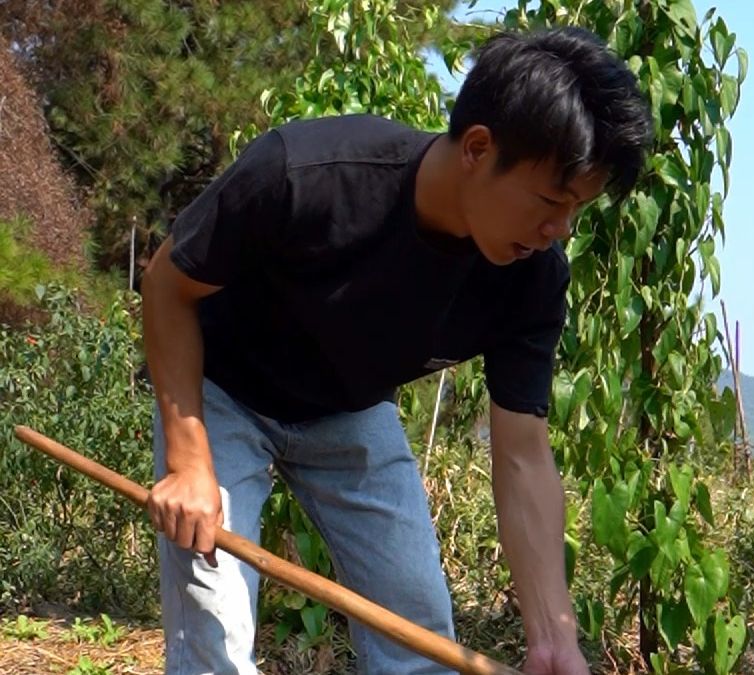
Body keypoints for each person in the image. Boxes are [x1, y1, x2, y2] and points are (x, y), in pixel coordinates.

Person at [139, 26, 652, 675]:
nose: (559, 229)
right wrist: (188, 461)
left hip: (349, 408)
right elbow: (166, 282)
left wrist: (553, 635)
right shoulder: (306, 175)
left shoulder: (532, 278)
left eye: (576, 209)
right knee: (216, 630)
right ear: (477, 147)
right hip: (221, 393)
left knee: (418, 638)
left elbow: (523, 454)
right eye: (551, 200)